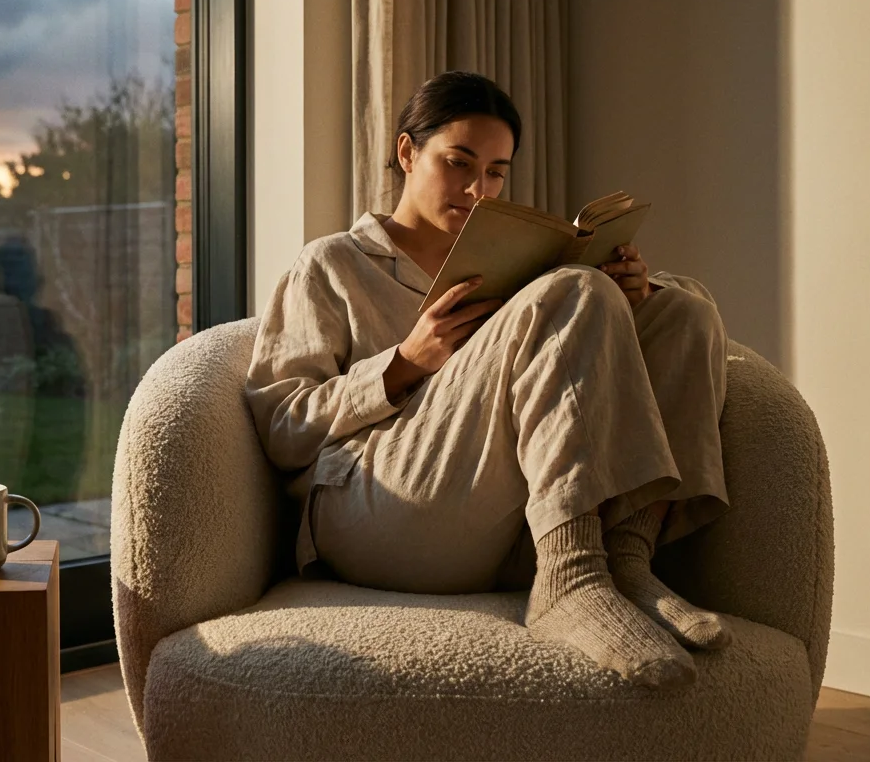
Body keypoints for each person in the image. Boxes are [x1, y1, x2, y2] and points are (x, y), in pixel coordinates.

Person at [245, 71, 732, 689]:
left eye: (497, 172)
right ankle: (571, 577)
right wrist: (403, 363)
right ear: (406, 152)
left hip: (496, 506)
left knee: (681, 308)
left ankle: (627, 560)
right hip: (375, 507)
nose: (478, 189)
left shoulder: (511, 260)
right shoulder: (332, 263)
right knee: (572, 291)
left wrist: (627, 297)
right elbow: (282, 427)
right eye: (458, 162)